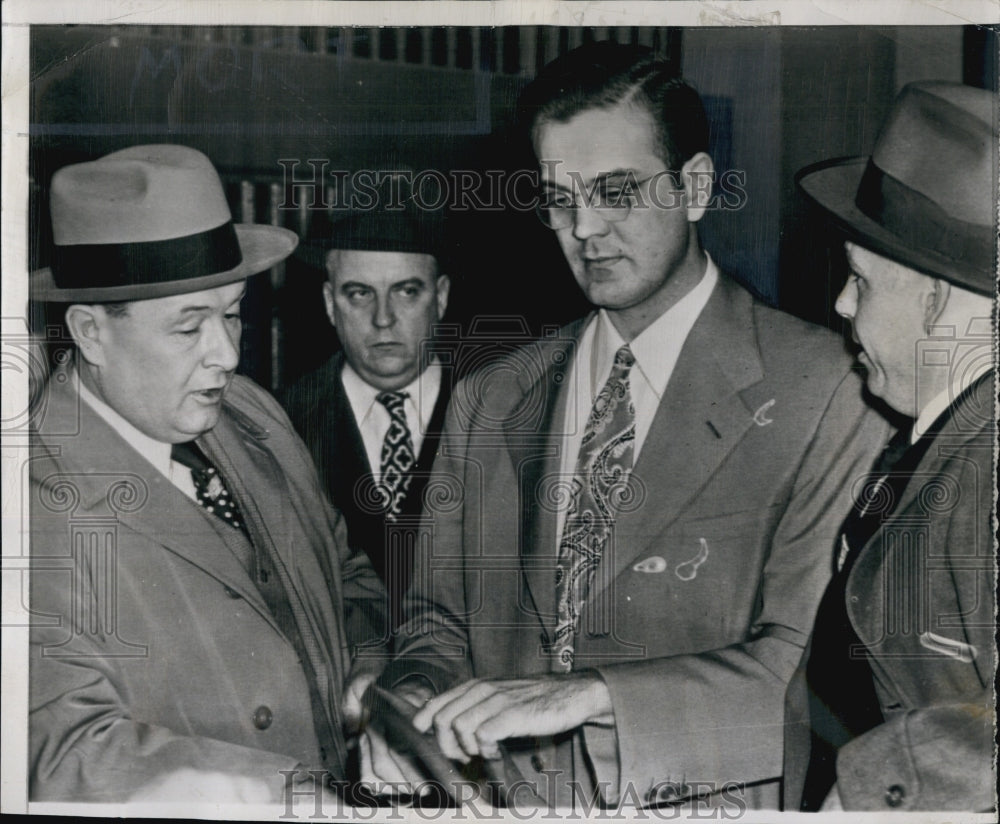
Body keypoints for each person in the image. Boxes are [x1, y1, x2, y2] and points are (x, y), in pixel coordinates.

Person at [364, 42, 889, 810]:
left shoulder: (825, 389)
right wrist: (409, 703)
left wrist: (593, 695)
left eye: (615, 191)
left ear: (697, 188)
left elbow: (802, 675)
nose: (584, 228)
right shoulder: (490, 396)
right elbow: (437, 622)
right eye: (560, 197)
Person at [27, 144, 387, 803]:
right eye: (189, 326)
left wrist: (371, 673)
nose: (226, 354)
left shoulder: (252, 415)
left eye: (230, 312)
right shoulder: (30, 503)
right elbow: (62, 749)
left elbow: (348, 581)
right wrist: (278, 793)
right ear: (90, 332)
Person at [783, 82, 996, 813]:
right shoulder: (935, 435)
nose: (841, 304)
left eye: (861, 279)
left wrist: (865, 797)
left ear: (937, 299)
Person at [281, 210, 452, 632]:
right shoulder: (279, 425)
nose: (382, 318)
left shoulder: (503, 414)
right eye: (359, 294)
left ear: (441, 297)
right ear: (328, 303)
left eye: (407, 291)